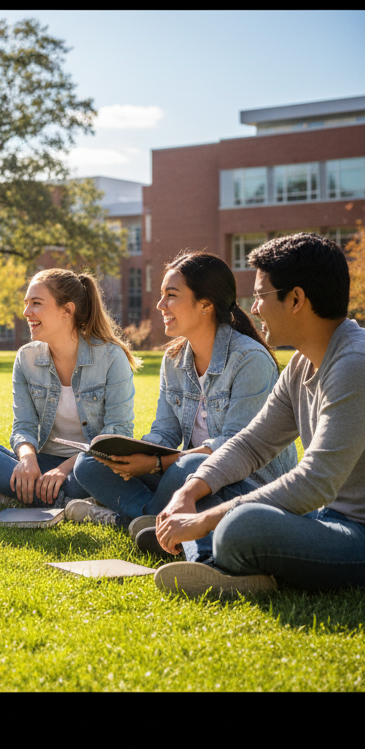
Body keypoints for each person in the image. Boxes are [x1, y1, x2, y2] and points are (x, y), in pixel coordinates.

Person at [155, 233, 365, 597]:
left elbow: (315, 482)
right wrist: (189, 492)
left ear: (296, 299)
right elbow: (251, 444)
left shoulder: (353, 365)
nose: (252, 308)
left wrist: (205, 519)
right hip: (324, 520)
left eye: (261, 296)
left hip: (356, 533)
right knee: (207, 480)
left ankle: (206, 554)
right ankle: (207, 551)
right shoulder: (301, 364)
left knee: (243, 525)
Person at [72, 252, 296, 555]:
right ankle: (153, 520)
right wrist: (130, 453)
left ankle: (138, 518)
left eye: (171, 295)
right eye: (162, 295)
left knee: (191, 464)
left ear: (206, 305)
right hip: (184, 474)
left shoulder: (249, 359)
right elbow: (164, 433)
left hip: (242, 483)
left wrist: (155, 464)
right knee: (88, 462)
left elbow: (233, 447)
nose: (160, 305)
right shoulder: (174, 360)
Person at [0, 269, 139, 513]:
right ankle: (69, 504)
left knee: (87, 475)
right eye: (26, 303)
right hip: (43, 463)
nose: (26, 312)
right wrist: (27, 459)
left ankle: (21, 498)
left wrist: (64, 469)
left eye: (36, 303)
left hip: (88, 465)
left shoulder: (110, 357)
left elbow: (117, 433)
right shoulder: (27, 358)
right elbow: (23, 425)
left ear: (67, 310)